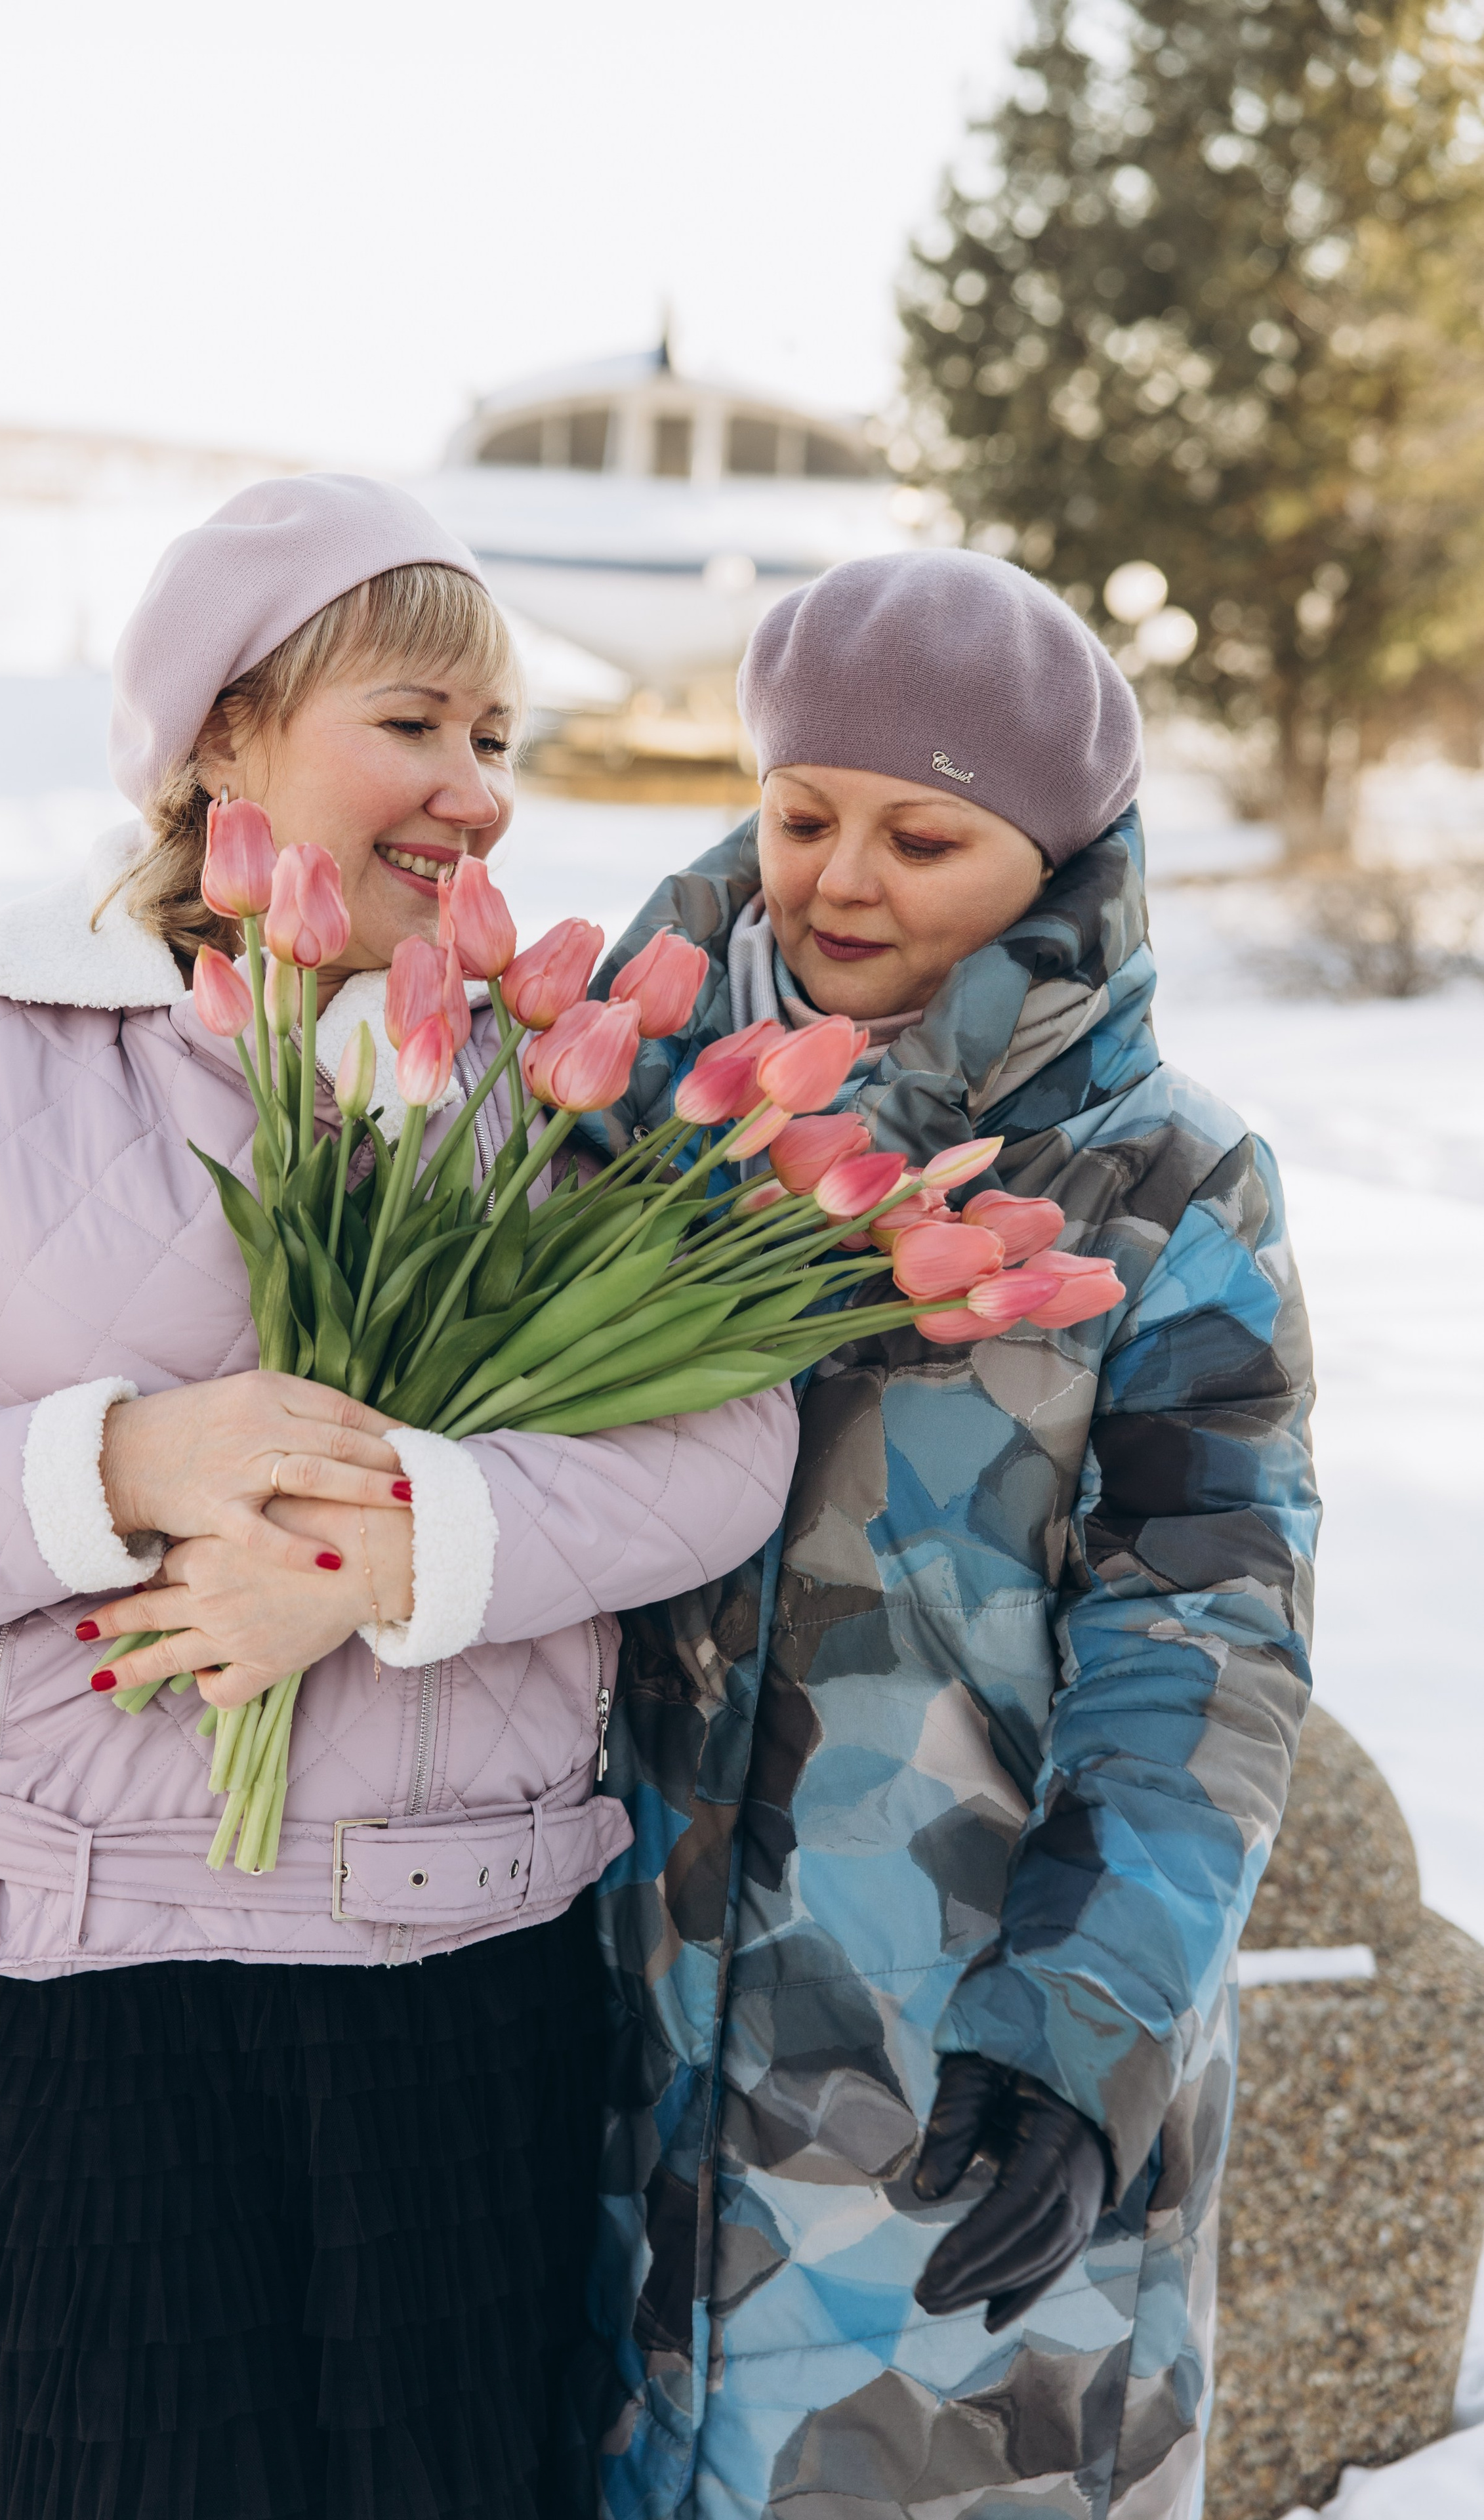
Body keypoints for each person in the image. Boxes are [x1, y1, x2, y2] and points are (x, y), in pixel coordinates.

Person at [0, 474, 798, 2520]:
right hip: (74, 1987)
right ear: (225, 739)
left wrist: (379, 1559)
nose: (477, 792)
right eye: (416, 722)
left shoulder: (550, 1074)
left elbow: (729, 1445)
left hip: (456, 1976)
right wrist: (119, 1464)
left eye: (499, 742)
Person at [573, 550, 1319, 2519]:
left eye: (922, 835)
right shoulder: (623, 1119)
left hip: (946, 2099)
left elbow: (1206, 1643)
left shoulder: (1165, 1188)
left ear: (1057, 856)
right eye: (802, 813)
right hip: (607, 2077)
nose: (836, 878)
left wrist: (1076, 2039)